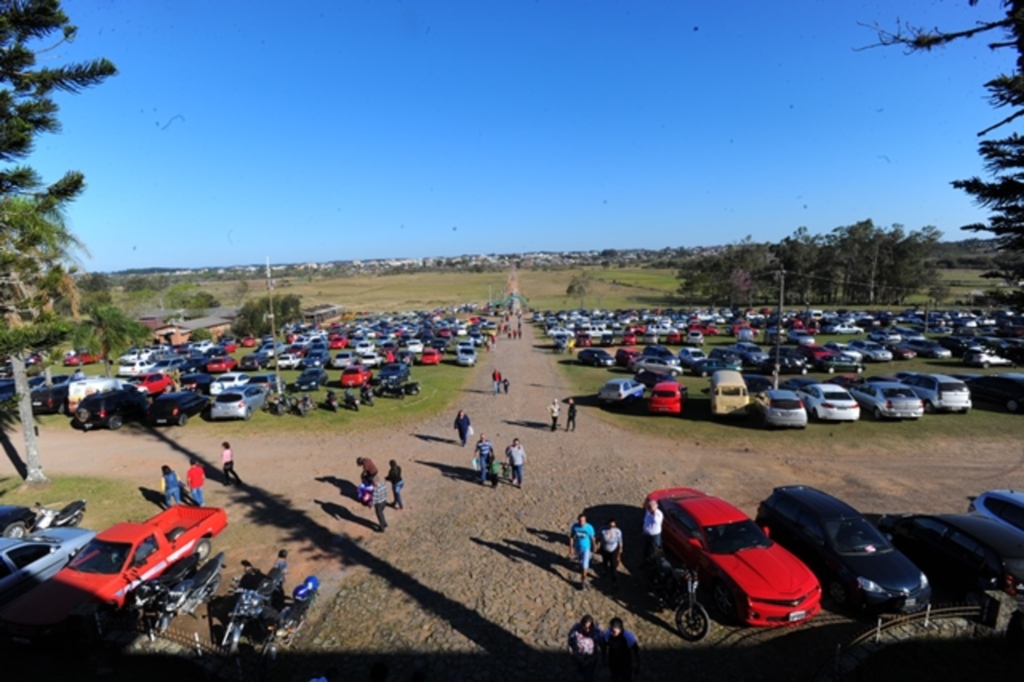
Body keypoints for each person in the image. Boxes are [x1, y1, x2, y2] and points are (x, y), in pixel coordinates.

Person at [602, 617, 641, 682]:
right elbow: (604, 646)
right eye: (611, 629)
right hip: (613, 661)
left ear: (620, 629)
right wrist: (604, 658)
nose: (612, 632)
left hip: (625, 663)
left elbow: (636, 651)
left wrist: (638, 664)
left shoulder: (628, 637)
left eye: (614, 631)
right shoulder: (608, 634)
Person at [567, 614, 603, 682]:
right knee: (580, 672)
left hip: (591, 658)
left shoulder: (596, 631)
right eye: (585, 627)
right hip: (579, 656)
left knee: (588, 676)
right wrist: (570, 648)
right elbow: (570, 639)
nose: (587, 630)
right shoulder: (576, 629)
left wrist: (603, 654)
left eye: (589, 628)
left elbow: (601, 642)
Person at [568, 513, 596, 590]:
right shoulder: (575, 527)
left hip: (586, 548)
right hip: (578, 548)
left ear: (585, 521)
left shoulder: (589, 528)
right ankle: (582, 569)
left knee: (585, 565)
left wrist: (594, 546)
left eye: (583, 521)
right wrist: (571, 547)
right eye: (580, 521)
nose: (581, 522)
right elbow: (571, 537)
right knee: (581, 562)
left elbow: (592, 538)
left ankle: (583, 581)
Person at [599, 519, 623, 585]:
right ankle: (605, 569)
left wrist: (620, 549)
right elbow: (598, 537)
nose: (611, 527)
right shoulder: (602, 530)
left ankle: (614, 577)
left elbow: (620, 541)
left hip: (613, 549)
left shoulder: (618, 531)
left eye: (613, 526)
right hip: (604, 548)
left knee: (613, 563)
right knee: (605, 560)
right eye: (610, 525)